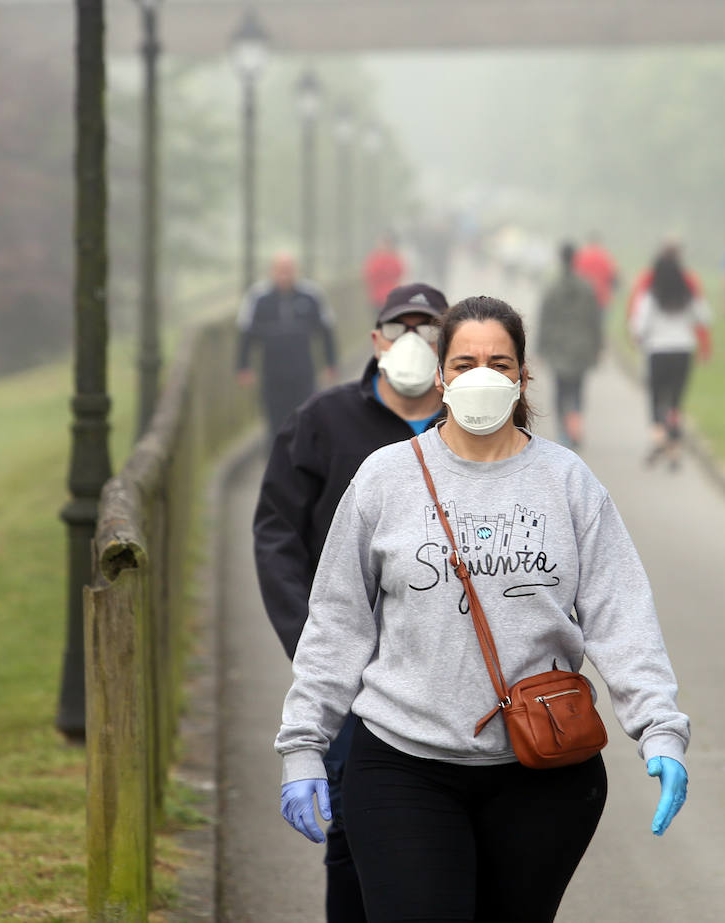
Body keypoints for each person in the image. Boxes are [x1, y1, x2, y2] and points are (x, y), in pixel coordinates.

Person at [276, 296, 690, 923]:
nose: (481, 376)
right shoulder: (385, 479)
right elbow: (337, 622)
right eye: (464, 363)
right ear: (440, 376)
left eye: (499, 363)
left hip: (543, 772)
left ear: (523, 377)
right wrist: (304, 742)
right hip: (402, 767)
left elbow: (621, 614)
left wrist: (659, 726)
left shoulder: (568, 483)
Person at [254, 282, 451, 922]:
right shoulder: (322, 422)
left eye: (429, 328)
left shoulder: (474, 427)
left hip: (445, 674)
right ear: (376, 340)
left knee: (439, 834)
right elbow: (277, 532)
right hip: (351, 673)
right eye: (400, 328)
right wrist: (311, 643)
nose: (413, 341)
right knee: (353, 831)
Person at [236, 251, 337, 437]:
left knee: (305, 420)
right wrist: (243, 367)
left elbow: (327, 330)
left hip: (303, 372)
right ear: (272, 271)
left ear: (296, 270)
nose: (284, 275)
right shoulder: (258, 297)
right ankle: (277, 454)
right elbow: (246, 333)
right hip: (271, 374)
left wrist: (331, 363)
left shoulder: (311, 295)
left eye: (288, 270)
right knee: (275, 423)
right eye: (280, 270)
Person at [631, 251, 712, 471]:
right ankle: (674, 446)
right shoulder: (688, 294)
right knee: (676, 400)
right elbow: (705, 317)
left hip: (657, 350)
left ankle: (659, 439)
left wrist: (641, 339)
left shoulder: (651, 295)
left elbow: (639, 326)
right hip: (683, 350)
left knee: (657, 397)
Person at [537, 241, 603, 449]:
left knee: (560, 390)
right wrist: (598, 345)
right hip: (582, 347)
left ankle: (563, 431)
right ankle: (575, 425)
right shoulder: (587, 288)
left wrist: (540, 347)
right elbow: (595, 319)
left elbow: (545, 319)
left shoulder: (552, 288)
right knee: (577, 389)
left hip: (558, 347)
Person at [573, 230, 618, 309]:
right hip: (601, 299)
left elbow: (574, 275)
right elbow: (614, 279)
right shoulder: (605, 257)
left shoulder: (580, 256)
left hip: (583, 299)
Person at [363, 233, 405, 312]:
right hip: (390, 296)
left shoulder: (376, 259)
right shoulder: (393, 257)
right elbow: (400, 271)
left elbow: (369, 274)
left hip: (379, 297)